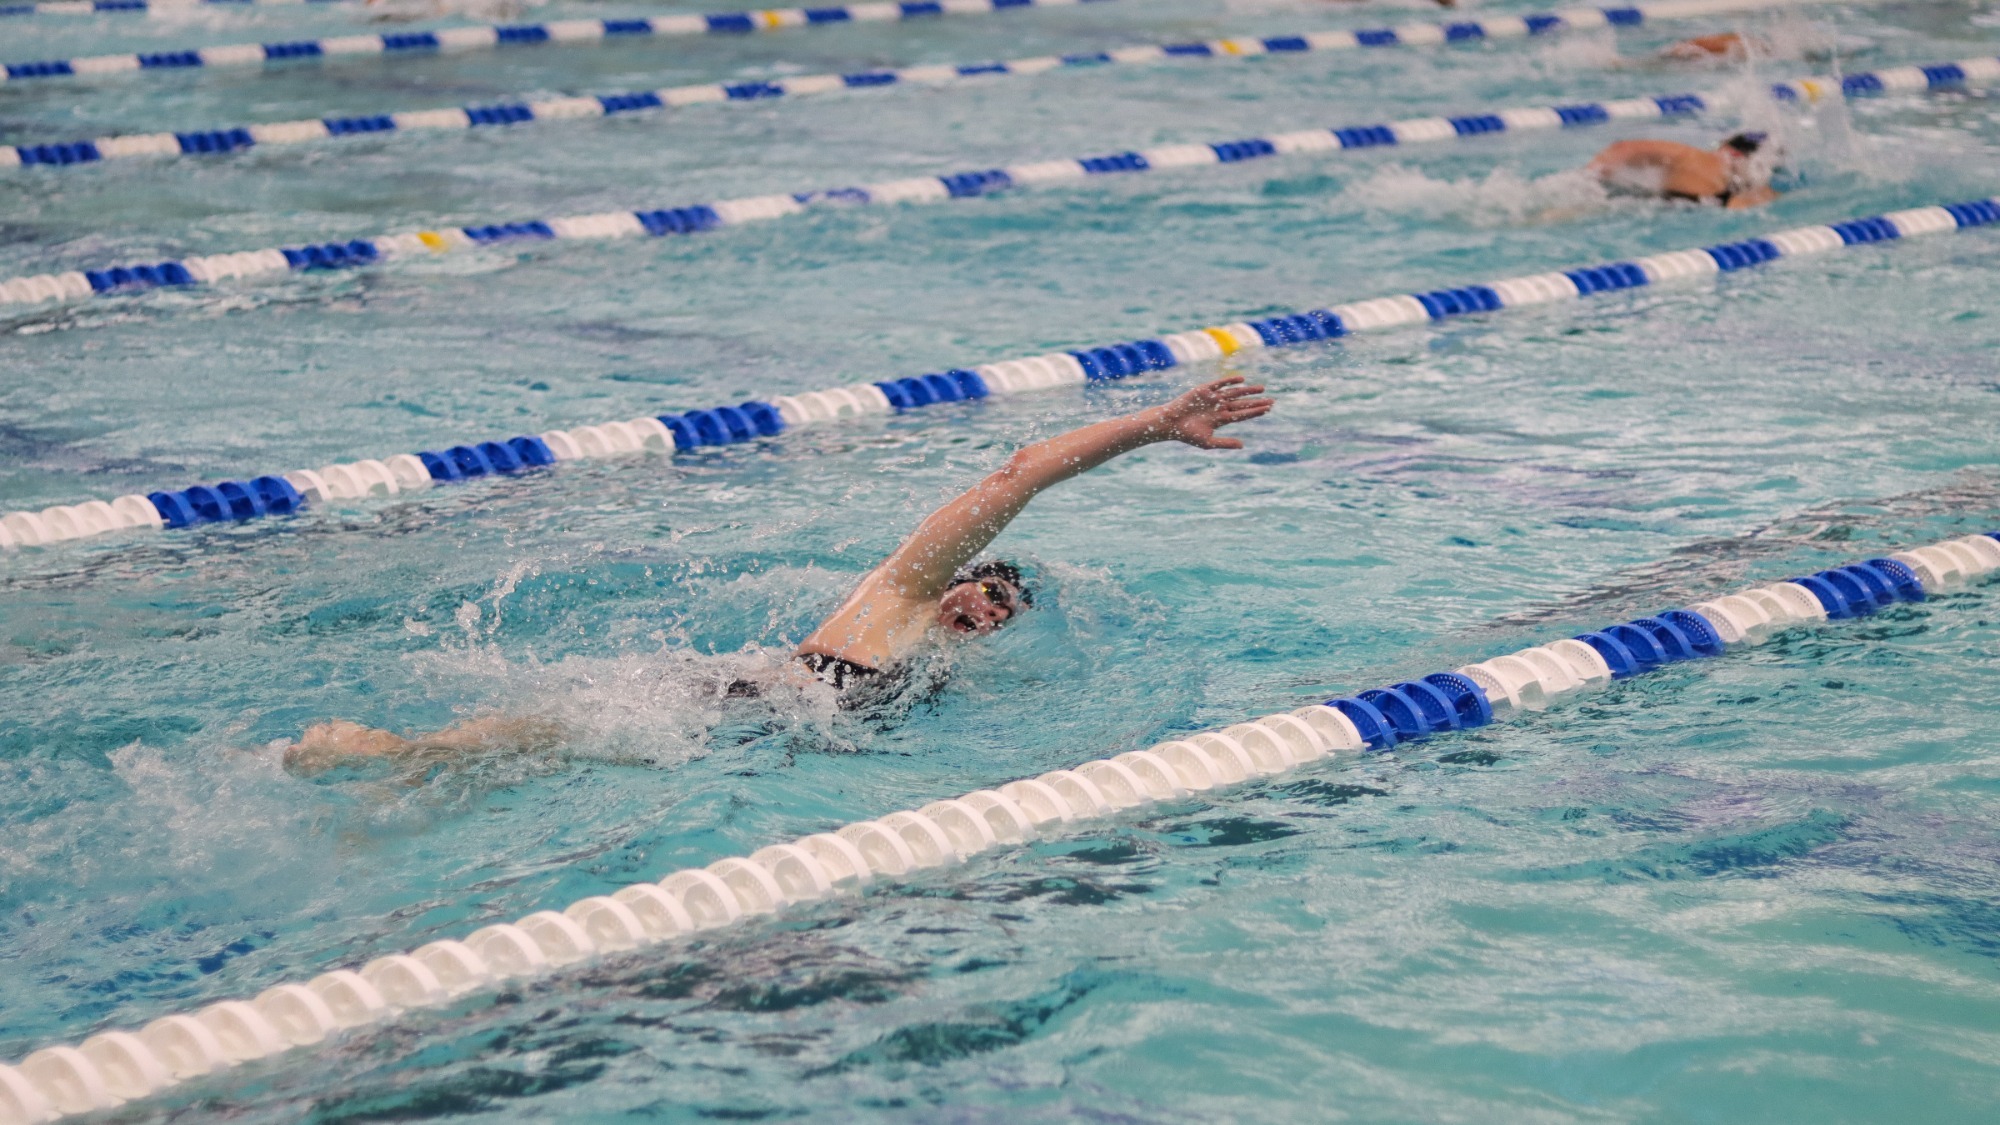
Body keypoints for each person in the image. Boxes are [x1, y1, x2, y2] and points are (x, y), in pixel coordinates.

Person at [284, 375, 1274, 773]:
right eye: (981, 583)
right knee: (528, 739)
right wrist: (1147, 427)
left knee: (528, 767)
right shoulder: (900, 597)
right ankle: (387, 750)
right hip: (731, 695)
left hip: (747, 733)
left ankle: (404, 775)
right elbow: (1014, 474)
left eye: (1003, 607)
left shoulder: (941, 676)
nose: (984, 601)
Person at [1587, 132, 1781, 210]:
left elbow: (1623, 148)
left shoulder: (1697, 159)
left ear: (1729, 150)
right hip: (1609, 198)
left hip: (1627, 201)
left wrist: (1588, 175)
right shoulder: (1755, 191)